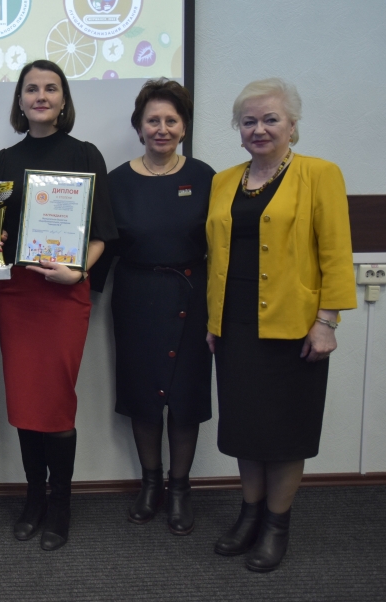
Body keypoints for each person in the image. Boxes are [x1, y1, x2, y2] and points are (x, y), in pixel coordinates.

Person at [206, 78, 356, 572]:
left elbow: (336, 253)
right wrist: (213, 321)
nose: (259, 129)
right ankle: (249, 515)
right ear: (238, 129)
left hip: (294, 328)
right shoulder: (224, 181)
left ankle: (276, 525)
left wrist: (327, 321)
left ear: (292, 124)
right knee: (245, 428)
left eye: (271, 119)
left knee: (287, 431)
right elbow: (216, 257)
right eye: (249, 121)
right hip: (235, 326)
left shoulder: (320, 174)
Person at [0, 59, 118, 550]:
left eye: (51, 88)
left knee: (56, 401)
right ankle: (33, 499)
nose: (41, 96)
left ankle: (60, 504)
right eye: (31, 89)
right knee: (24, 399)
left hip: (64, 293)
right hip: (18, 294)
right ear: (20, 101)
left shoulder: (86, 154)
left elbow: (102, 232)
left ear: (64, 100)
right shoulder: (2, 161)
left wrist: (78, 272)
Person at [99, 79, 215, 535]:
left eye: (171, 120)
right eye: (153, 120)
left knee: (185, 396)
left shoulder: (206, 177)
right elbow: (102, 243)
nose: (162, 128)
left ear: (184, 126)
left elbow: (220, 245)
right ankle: (151, 484)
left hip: (192, 296)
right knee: (143, 394)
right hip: (135, 296)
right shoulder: (116, 181)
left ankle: (180, 489)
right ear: (139, 126)